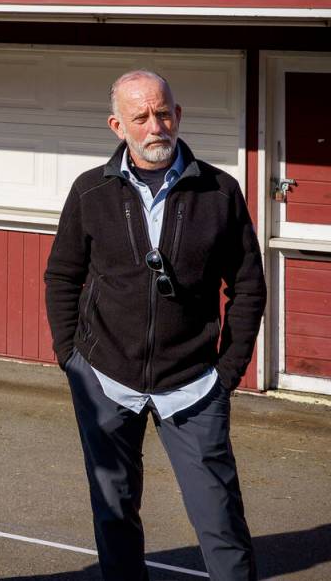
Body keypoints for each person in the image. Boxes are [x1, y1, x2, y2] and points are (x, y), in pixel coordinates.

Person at [44, 70, 266, 581]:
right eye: (140, 117)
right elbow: (62, 275)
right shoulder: (89, 191)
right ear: (117, 125)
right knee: (114, 512)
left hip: (192, 386)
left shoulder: (220, 191)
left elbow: (249, 286)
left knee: (220, 519)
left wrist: (227, 372)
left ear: (179, 115)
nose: (155, 127)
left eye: (163, 113)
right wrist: (71, 357)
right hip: (105, 379)